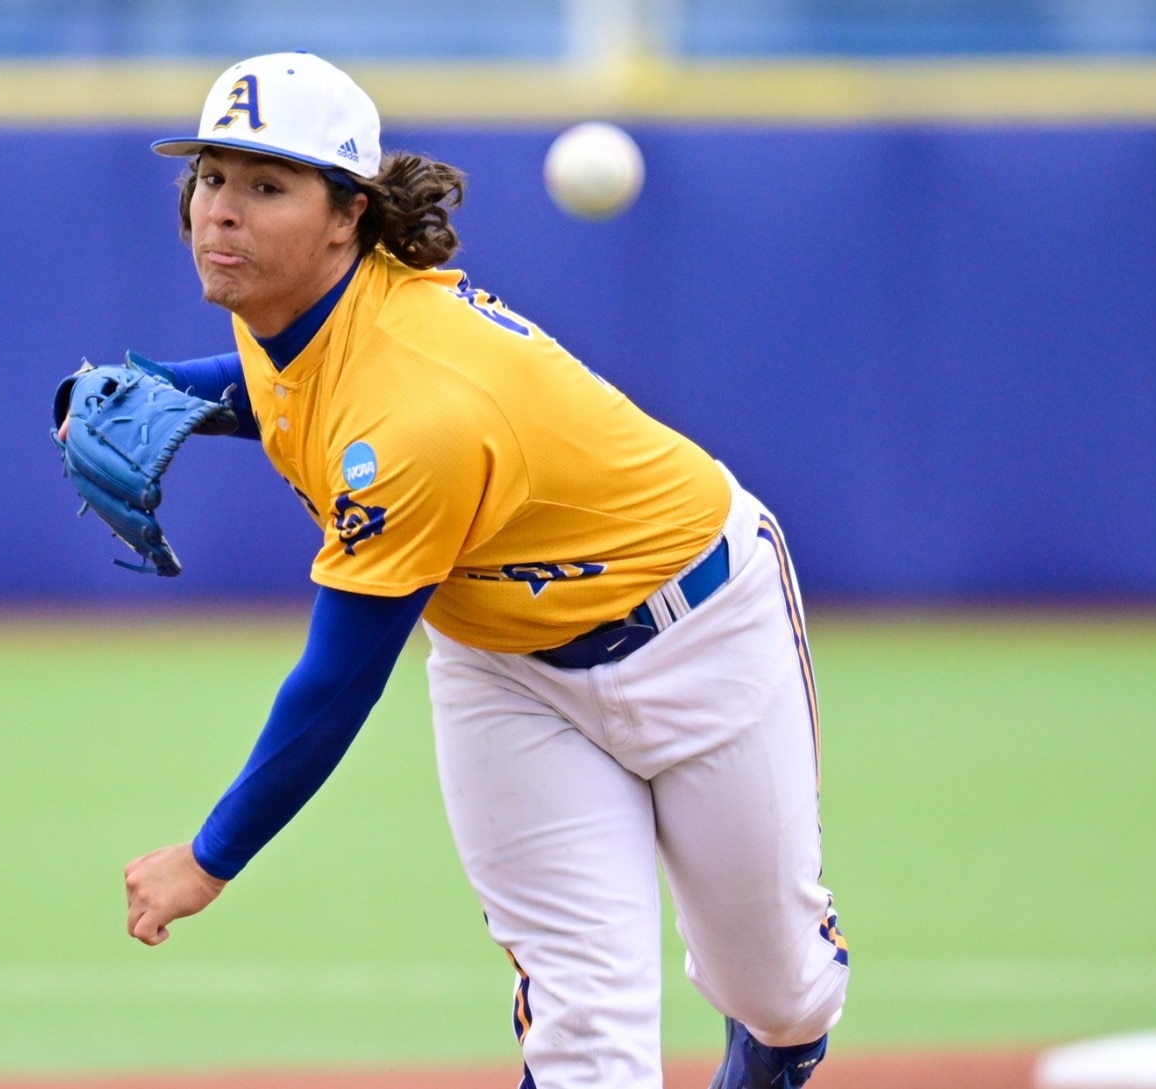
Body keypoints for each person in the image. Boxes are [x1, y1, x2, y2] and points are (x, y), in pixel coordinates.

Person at [103, 51, 849, 1089]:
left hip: (700, 628)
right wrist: (172, 393)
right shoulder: (286, 302)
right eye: (212, 177)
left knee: (779, 991)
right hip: (507, 671)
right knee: (586, 1029)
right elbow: (290, 382)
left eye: (268, 186)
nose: (222, 211)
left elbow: (338, 680)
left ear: (348, 216)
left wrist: (209, 856)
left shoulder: (417, 412)